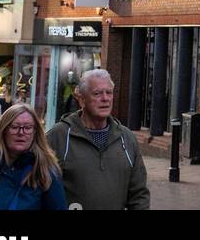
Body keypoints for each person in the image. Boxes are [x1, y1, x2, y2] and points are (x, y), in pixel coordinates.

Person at [46, 69, 149, 210]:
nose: (105, 98)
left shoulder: (127, 138)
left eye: (109, 93)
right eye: (97, 93)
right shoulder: (59, 136)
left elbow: (139, 194)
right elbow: (41, 188)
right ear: (81, 99)